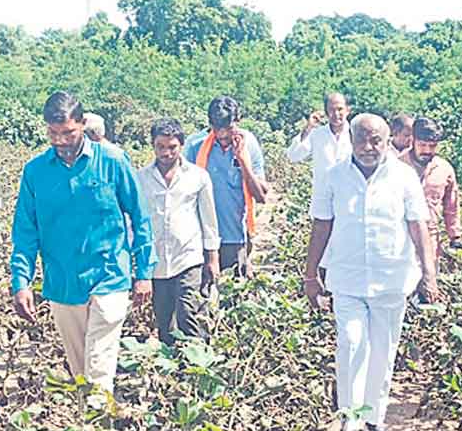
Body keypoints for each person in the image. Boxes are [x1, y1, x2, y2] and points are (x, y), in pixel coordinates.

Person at [303, 114, 440, 431]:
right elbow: (321, 226)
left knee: (383, 349)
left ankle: (375, 418)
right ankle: (349, 422)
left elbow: (418, 226)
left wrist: (429, 274)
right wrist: (311, 275)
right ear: (351, 139)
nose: (368, 147)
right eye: (362, 139)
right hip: (346, 278)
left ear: (388, 139)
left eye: (375, 140)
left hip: (392, 278)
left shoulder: (404, 177)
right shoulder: (334, 178)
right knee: (350, 345)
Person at [11, 92, 155, 398]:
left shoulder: (113, 162)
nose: (60, 140)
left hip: (110, 277)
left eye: (68, 133)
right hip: (63, 282)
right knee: (80, 371)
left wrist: (144, 272)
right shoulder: (35, 172)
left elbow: (140, 217)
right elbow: (25, 232)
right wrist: (21, 283)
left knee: (99, 365)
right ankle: (89, 427)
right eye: (53, 133)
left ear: (82, 124)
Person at [137, 118, 220, 345]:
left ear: (181, 145)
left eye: (172, 147)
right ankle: (173, 372)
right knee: (164, 322)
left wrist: (212, 259)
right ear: (152, 146)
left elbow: (209, 221)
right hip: (157, 262)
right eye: (160, 147)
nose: (166, 153)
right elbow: (134, 221)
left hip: (188, 258)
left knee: (188, 314)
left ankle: (197, 366)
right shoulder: (141, 178)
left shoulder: (197, 176)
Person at [184, 96, 268, 276]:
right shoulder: (194, 146)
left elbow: (261, 196)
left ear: (238, 121)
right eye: (217, 129)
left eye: (228, 129)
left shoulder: (249, 144)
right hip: (199, 238)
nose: (222, 136)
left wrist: (243, 162)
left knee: (234, 296)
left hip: (234, 236)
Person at [399, 117, 462, 255]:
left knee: (430, 275)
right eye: (422, 145)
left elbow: (451, 205)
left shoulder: (444, 169)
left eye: (432, 146)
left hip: (430, 238)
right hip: (400, 237)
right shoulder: (396, 166)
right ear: (413, 140)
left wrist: (455, 236)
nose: (427, 150)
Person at [286, 92, 352, 185]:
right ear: (326, 112)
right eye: (331, 110)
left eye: (340, 109)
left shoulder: (356, 134)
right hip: (322, 195)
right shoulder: (317, 135)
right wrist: (308, 128)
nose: (336, 114)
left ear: (348, 110)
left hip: (348, 193)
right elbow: (293, 156)